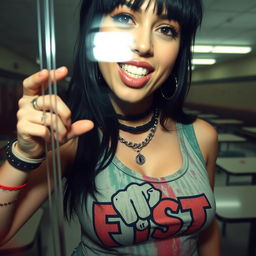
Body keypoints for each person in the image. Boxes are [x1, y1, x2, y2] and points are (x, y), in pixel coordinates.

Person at [0, 0, 221, 255]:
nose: (143, 45)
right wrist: (23, 155)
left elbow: (207, 230)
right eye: (125, 19)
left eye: (166, 30)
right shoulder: (70, 138)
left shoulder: (202, 137)